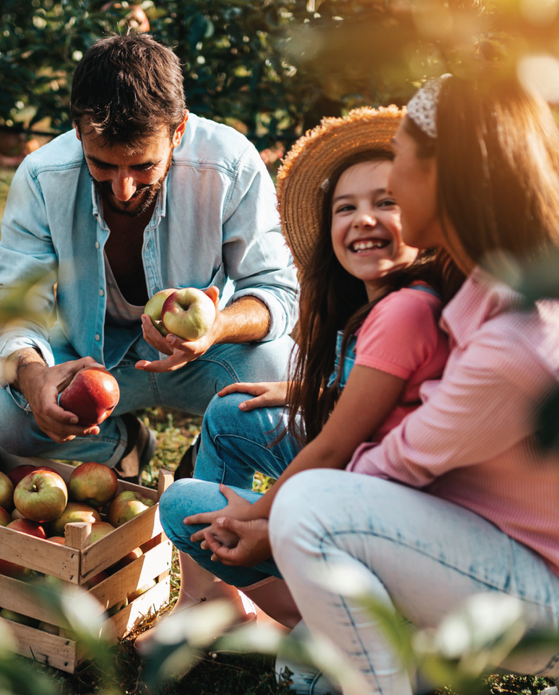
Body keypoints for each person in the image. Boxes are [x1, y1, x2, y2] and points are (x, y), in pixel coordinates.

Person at [188, 74, 559, 695]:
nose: (391, 182)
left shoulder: (515, 336)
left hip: (558, 600)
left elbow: (388, 464)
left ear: (446, 177)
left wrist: (268, 521)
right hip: (511, 555)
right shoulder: (481, 288)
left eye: (401, 161)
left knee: (310, 506)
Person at [155, 106, 462, 627]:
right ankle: (216, 600)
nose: (363, 218)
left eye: (386, 201)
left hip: (378, 516)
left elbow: (338, 447)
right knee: (232, 411)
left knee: (184, 505)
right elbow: (381, 404)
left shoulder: (405, 311)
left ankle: (317, 623)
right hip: (363, 491)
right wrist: (300, 392)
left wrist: (259, 517)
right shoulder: (382, 303)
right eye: (346, 208)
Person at [0, 33, 298, 478]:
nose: (123, 188)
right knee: (4, 413)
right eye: (103, 165)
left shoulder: (230, 165)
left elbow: (276, 290)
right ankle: (122, 446)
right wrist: (34, 379)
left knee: (279, 372)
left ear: (179, 131)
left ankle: (210, 454)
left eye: (142, 166)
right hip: (89, 356)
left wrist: (216, 327)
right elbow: (15, 302)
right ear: (78, 132)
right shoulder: (42, 176)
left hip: (201, 357)